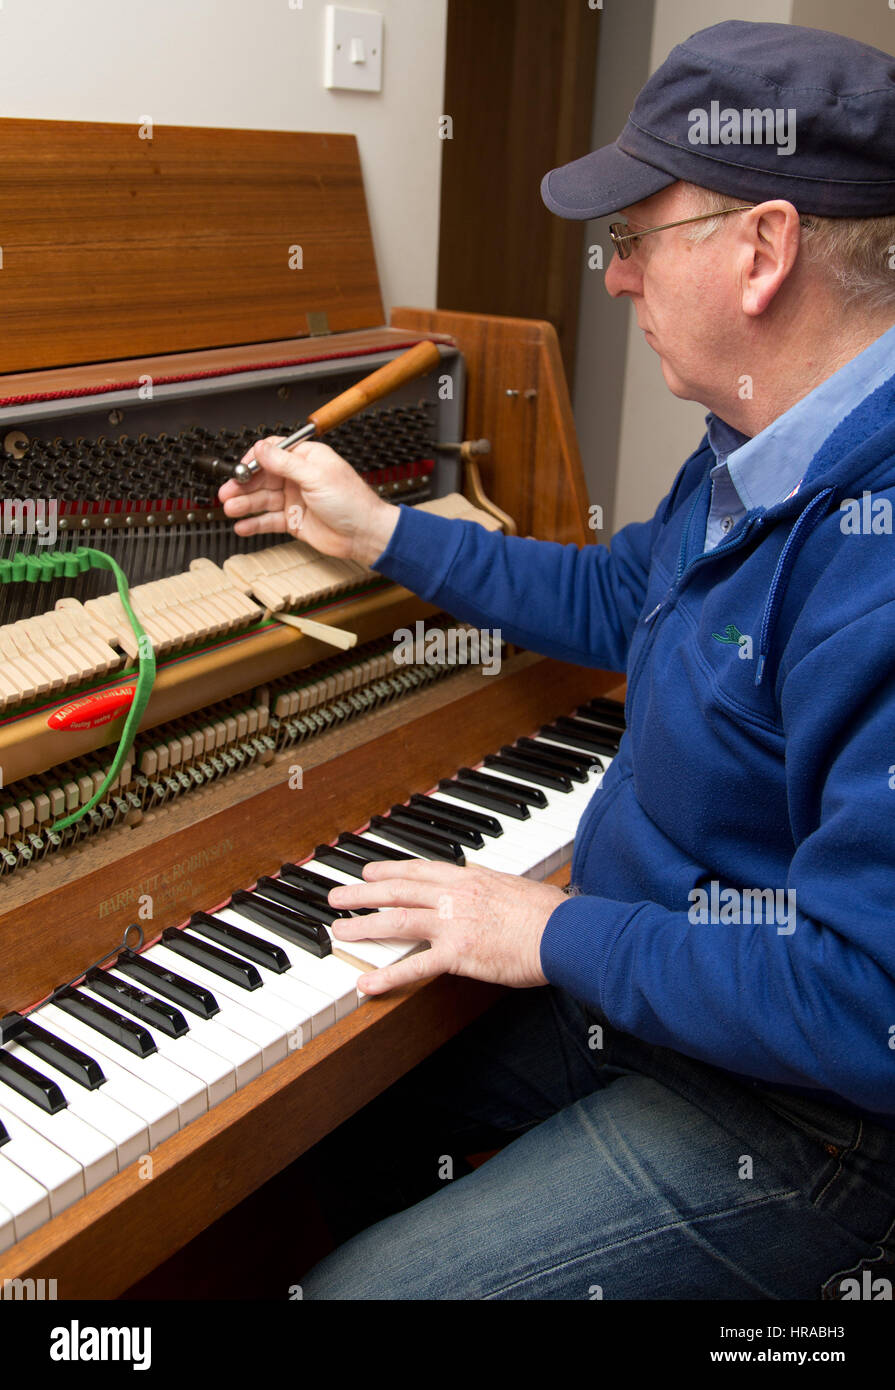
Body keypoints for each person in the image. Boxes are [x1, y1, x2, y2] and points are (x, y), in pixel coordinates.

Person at [219, 21, 895, 1299]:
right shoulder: (757, 440)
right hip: (656, 986)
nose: (615, 277)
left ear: (762, 250)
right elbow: (614, 591)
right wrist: (382, 532)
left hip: (806, 1116)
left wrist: (552, 929)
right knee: (337, 1115)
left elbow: (867, 1002)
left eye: (636, 235)